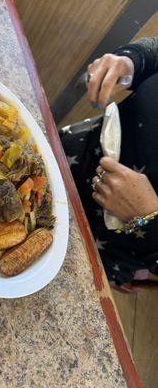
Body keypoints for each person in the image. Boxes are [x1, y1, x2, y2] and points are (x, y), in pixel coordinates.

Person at [61, 37, 158, 287]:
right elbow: (153, 53)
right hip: (74, 154)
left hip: (104, 245)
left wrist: (150, 217)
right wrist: (128, 61)